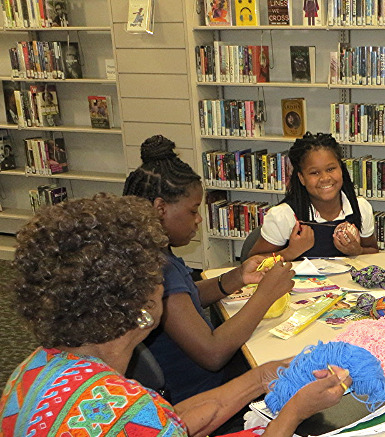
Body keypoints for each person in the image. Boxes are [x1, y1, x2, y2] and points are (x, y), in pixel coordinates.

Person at [1, 194, 348, 437]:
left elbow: (162, 429)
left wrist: (262, 377)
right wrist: (291, 415)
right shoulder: (131, 412)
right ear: (142, 304)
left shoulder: (32, 374)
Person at [123, 135, 293, 403]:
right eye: (193, 211)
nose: (199, 219)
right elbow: (213, 354)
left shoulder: (148, 252)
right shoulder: (159, 268)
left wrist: (237, 277)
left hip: (190, 383)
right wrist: (265, 296)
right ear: (160, 208)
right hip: (201, 395)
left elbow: (185, 298)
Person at [248, 132, 379, 260]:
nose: (325, 178)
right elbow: (252, 262)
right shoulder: (284, 216)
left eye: (331, 169)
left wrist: (358, 251)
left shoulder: (360, 207)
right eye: (314, 173)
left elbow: (373, 251)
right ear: (302, 178)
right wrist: (290, 252)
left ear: (341, 169)